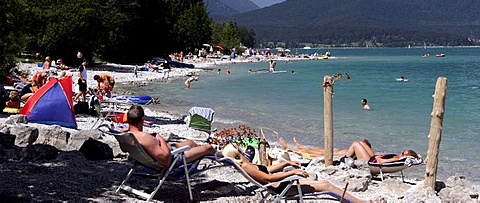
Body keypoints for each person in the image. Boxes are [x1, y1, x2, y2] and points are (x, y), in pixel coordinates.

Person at [221, 143, 377, 203]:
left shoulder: (247, 164)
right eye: (236, 147)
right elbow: (268, 177)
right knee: (326, 186)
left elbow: (267, 170)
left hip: (279, 185)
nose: (239, 147)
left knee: (324, 184)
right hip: (281, 188)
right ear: (235, 152)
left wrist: (287, 163)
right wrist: (292, 172)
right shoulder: (247, 167)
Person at [126, 105, 217, 167]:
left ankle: (201, 155)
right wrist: (160, 139)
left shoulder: (125, 134)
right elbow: (166, 161)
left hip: (152, 155)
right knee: (208, 147)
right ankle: (221, 156)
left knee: (190, 142)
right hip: (173, 158)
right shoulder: (144, 137)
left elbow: (124, 149)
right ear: (142, 120)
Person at [342, 140, 419, 164]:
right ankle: (351, 156)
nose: (401, 151)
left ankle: (344, 159)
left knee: (356, 144)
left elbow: (381, 161)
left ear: (404, 155)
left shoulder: (396, 159)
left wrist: (379, 157)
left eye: (403, 152)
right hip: (373, 157)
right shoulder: (397, 157)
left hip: (371, 161)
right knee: (362, 143)